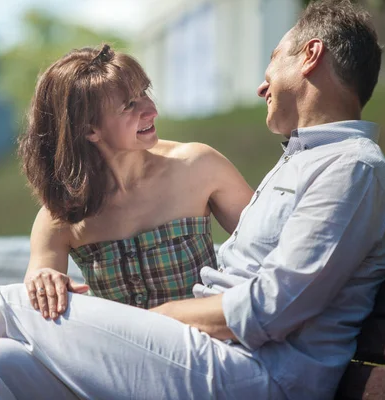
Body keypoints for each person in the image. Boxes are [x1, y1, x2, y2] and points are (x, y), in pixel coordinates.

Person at [0, 1, 385, 399]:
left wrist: (157, 320)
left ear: (309, 56)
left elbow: (271, 308)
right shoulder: (303, 161)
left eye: (272, 63)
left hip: (254, 375)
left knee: (12, 304)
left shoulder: (351, 169)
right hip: (208, 360)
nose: (262, 86)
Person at [17, 44, 253, 318]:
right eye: (130, 105)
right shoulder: (60, 216)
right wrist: (43, 281)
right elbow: (38, 292)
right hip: (119, 354)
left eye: (144, 93)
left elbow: (269, 248)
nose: (151, 110)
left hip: (204, 345)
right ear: (88, 129)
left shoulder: (198, 166)